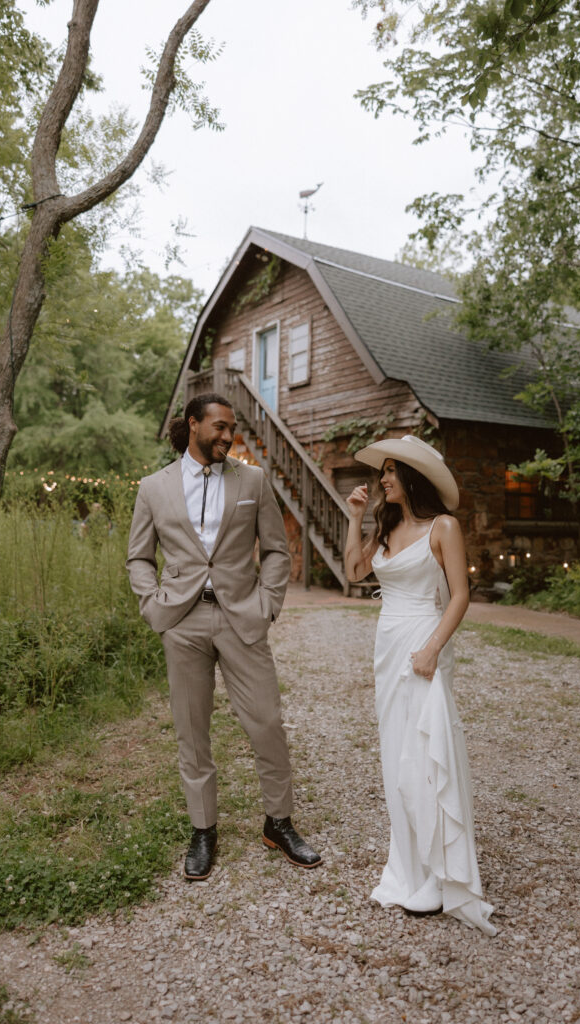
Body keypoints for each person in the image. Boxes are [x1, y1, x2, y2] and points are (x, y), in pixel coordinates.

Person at [126, 392, 321, 880]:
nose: (228, 436)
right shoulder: (154, 487)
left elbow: (275, 549)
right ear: (193, 424)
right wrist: (154, 606)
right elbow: (139, 557)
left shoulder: (251, 479)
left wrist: (267, 603)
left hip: (242, 619)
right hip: (183, 622)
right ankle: (203, 830)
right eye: (219, 426)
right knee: (192, 732)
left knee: (267, 723)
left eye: (231, 428)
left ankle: (278, 822)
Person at [344, 435, 496, 935]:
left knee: (424, 756)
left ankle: (439, 873)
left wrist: (432, 647)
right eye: (383, 472)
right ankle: (407, 868)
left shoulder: (443, 527)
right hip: (387, 650)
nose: (382, 479)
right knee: (395, 756)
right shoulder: (386, 531)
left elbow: (460, 595)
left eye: (390, 472)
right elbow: (352, 571)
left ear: (411, 477)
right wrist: (356, 518)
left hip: (422, 643)